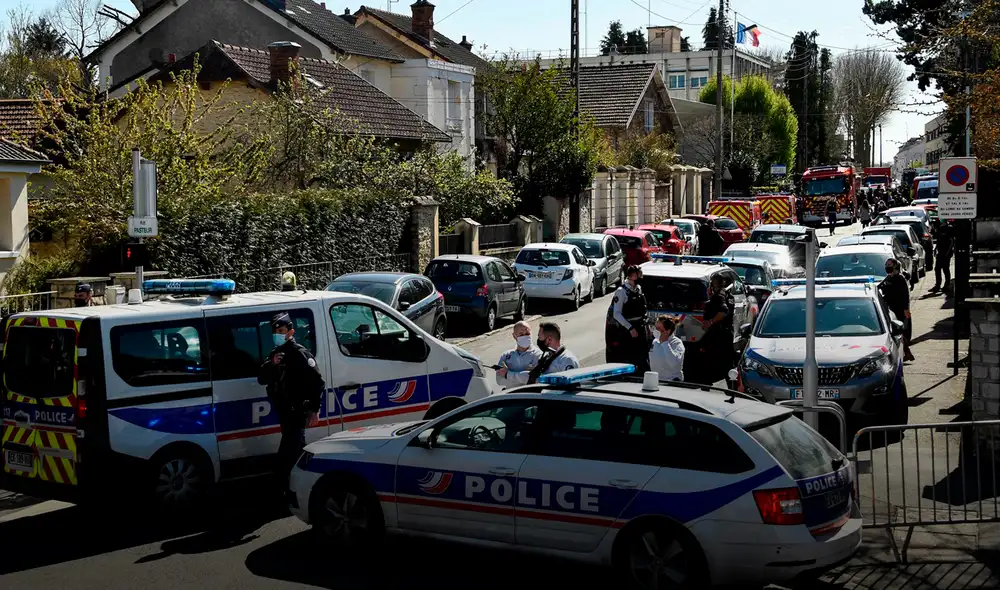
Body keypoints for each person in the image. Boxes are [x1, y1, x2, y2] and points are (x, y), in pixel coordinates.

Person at [257, 312, 325, 480]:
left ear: (291, 332)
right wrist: (272, 364)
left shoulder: (299, 353)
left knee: (286, 457)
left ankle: (285, 487)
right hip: (284, 412)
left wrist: (314, 410)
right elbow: (262, 379)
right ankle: (304, 483)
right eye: (275, 331)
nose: (277, 334)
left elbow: (317, 383)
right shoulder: (276, 354)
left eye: (281, 331)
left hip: (296, 412)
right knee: (297, 451)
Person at [605, 265, 650, 373]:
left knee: (643, 357)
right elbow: (616, 314)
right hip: (628, 330)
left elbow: (642, 309)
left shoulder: (638, 289)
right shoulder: (621, 291)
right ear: (633, 276)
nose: (641, 277)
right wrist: (630, 328)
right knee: (629, 358)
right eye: (639, 275)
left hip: (640, 327)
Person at [693, 275, 734, 384]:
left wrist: (710, 322)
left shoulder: (719, 296)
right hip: (726, 334)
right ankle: (732, 386)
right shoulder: (727, 295)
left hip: (717, 335)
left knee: (709, 361)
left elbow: (723, 311)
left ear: (712, 285)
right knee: (726, 363)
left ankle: (707, 384)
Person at [878, 259, 915, 362]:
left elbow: (905, 296)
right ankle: (907, 353)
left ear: (895, 266)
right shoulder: (889, 277)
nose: (887, 266)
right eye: (886, 264)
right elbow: (880, 287)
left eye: (889, 265)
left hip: (899, 309)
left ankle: (906, 352)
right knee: (895, 331)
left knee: (899, 331)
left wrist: (906, 310)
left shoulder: (900, 279)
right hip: (890, 308)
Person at [495, 321, 543, 389]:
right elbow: (499, 381)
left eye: (527, 333)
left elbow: (535, 379)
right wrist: (523, 376)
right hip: (511, 394)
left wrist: (507, 374)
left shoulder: (538, 355)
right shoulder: (506, 355)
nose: (525, 336)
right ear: (514, 336)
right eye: (521, 334)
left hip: (530, 394)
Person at [649, 315, 685, 381]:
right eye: (655, 327)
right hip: (656, 379)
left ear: (667, 331)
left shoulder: (677, 343)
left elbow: (674, 362)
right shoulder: (655, 341)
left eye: (658, 328)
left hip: (672, 381)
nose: (655, 330)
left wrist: (665, 343)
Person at [930, 221, 954, 294]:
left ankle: (947, 285)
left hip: (945, 253)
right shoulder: (940, 229)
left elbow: (951, 242)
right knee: (937, 269)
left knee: (945, 269)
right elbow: (938, 241)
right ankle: (938, 285)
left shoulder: (948, 230)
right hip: (940, 253)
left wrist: (947, 252)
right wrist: (935, 249)